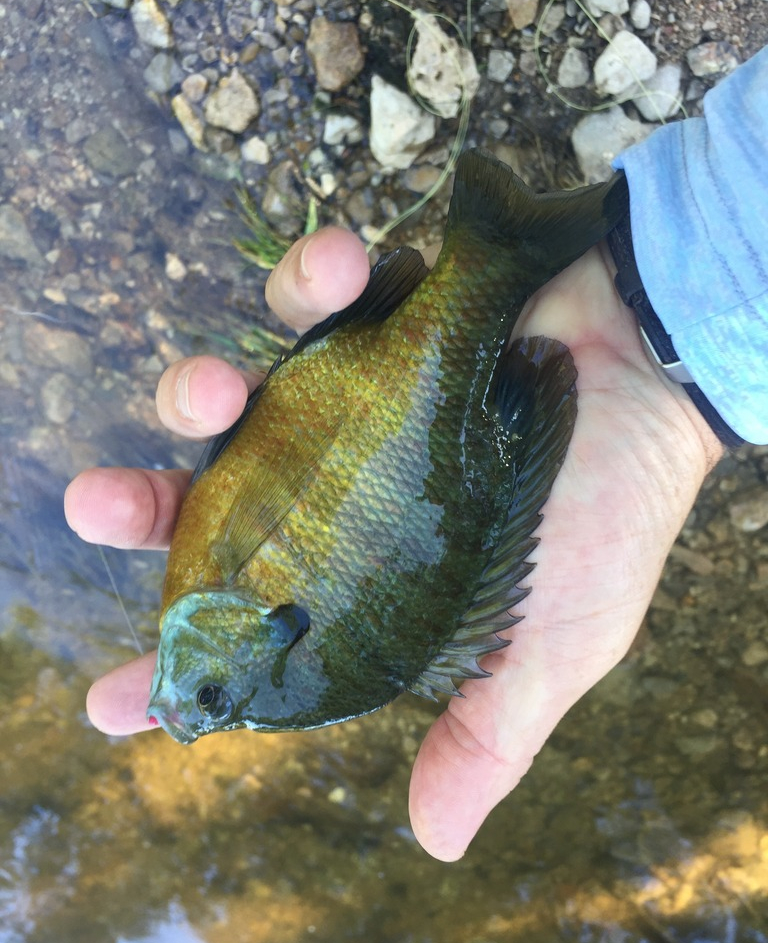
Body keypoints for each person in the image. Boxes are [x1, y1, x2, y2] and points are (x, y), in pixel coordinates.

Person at [64, 48, 767, 862]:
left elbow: (244, 447)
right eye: (214, 700)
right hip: (622, 359)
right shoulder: (231, 609)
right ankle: (521, 257)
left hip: (542, 350)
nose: (189, 714)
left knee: (253, 366)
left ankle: (522, 261)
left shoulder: (205, 587)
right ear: (259, 640)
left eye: (212, 698)